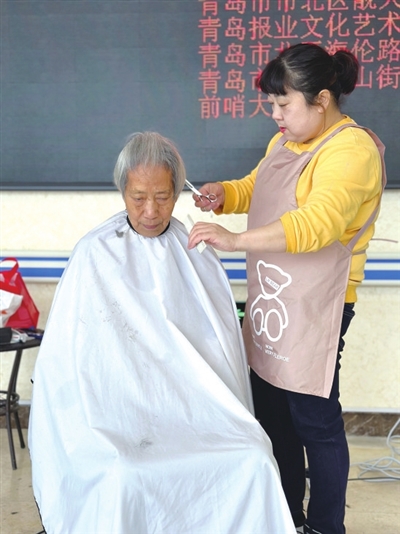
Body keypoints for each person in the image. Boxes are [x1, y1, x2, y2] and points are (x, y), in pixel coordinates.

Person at [28, 132, 296, 534]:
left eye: (163, 197)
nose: (151, 211)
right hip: (116, 415)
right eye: (138, 198)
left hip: (197, 412)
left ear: (178, 191)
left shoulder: (196, 253)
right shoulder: (93, 253)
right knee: (122, 471)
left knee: (253, 454)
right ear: (122, 192)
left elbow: (220, 353)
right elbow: (68, 360)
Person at [188, 43, 386, 534]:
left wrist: (235, 240)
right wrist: (224, 194)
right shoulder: (286, 142)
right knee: (273, 415)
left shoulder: (351, 150)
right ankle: (286, 517)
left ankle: (324, 526)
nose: (275, 115)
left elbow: (317, 224)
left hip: (320, 304)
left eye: (284, 104)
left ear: (322, 100)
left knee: (314, 420)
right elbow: (257, 187)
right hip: (273, 300)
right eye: (272, 104)